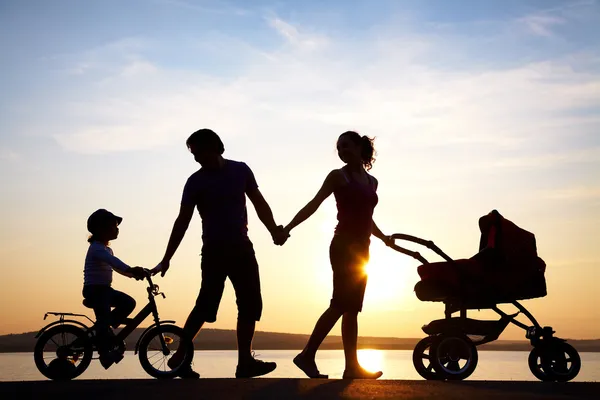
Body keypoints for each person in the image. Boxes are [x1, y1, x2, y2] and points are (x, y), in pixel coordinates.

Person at [157, 128, 287, 379]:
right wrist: (167, 257)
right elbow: (182, 221)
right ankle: (180, 357)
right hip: (214, 251)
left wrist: (274, 231)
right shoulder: (195, 181)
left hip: (242, 248)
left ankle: (245, 362)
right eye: (193, 154)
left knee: (250, 305)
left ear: (215, 147)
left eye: (198, 152)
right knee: (205, 306)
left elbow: (259, 202)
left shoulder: (240, 170)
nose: (196, 158)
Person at [282, 131, 392, 379]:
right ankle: (306, 355)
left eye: (346, 146)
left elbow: (367, 219)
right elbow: (314, 204)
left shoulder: (372, 182)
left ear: (359, 147)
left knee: (352, 309)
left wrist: (383, 237)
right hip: (343, 246)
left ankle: (352, 367)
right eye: (339, 148)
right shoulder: (337, 177)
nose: (342, 151)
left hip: (363, 250)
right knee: (340, 304)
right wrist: (287, 228)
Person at [83, 209, 146, 369]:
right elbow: (114, 262)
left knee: (128, 303)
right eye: (113, 225)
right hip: (95, 291)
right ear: (101, 229)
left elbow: (117, 267)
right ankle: (104, 348)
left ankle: (105, 330)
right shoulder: (97, 248)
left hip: (104, 290)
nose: (117, 229)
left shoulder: (106, 249)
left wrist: (132, 274)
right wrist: (132, 269)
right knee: (104, 319)